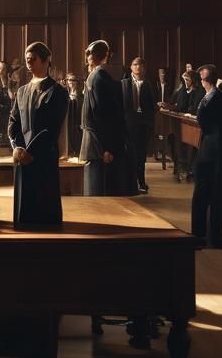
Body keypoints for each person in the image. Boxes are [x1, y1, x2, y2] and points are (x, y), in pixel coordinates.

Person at [7, 42, 68, 226]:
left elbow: (52, 127)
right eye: (27, 59)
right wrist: (17, 148)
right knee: (24, 215)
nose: (29, 63)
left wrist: (32, 153)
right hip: (21, 154)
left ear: (46, 60)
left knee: (44, 211)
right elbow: (13, 122)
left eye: (33, 59)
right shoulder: (21, 91)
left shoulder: (57, 91)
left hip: (43, 155)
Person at [190, 64, 222, 249]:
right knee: (204, 195)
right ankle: (201, 235)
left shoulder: (217, 98)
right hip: (210, 152)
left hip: (216, 153)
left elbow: (209, 123)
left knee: (215, 196)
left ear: (204, 81)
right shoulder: (211, 97)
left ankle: (211, 237)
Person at [80, 40, 131, 195]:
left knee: (99, 188)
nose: (89, 56)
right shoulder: (96, 76)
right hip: (95, 138)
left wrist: (107, 147)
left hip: (98, 140)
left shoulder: (99, 77)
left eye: (91, 53)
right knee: (95, 185)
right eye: (88, 53)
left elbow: (104, 115)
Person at [121, 56, 157, 194]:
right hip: (128, 123)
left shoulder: (148, 84)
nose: (138, 67)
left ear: (144, 68)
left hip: (143, 124)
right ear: (131, 67)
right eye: (135, 64)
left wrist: (149, 122)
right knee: (129, 153)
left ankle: (141, 182)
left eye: (141, 65)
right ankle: (129, 182)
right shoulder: (124, 83)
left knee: (141, 154)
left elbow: (153, 106)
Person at [65, 73, 83, 158]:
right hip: (68, 120)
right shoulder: (65, 94)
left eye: (73, 80)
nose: (71, 82)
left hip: (77, 119)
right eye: (69, 80)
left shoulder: (81, 95)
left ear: (77, 82)